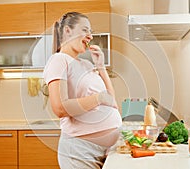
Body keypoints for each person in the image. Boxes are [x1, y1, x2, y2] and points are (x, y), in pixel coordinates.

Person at [43, 12, 122, 169]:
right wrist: (98, 98)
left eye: (91, 32)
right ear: (67, 31)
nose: (90, 36)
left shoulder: (86, 64)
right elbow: (59, 108)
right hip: (80, 152)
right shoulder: (58, 60)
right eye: (85, 30)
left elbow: (112, 102)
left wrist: (101, 66)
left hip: (110, 149)